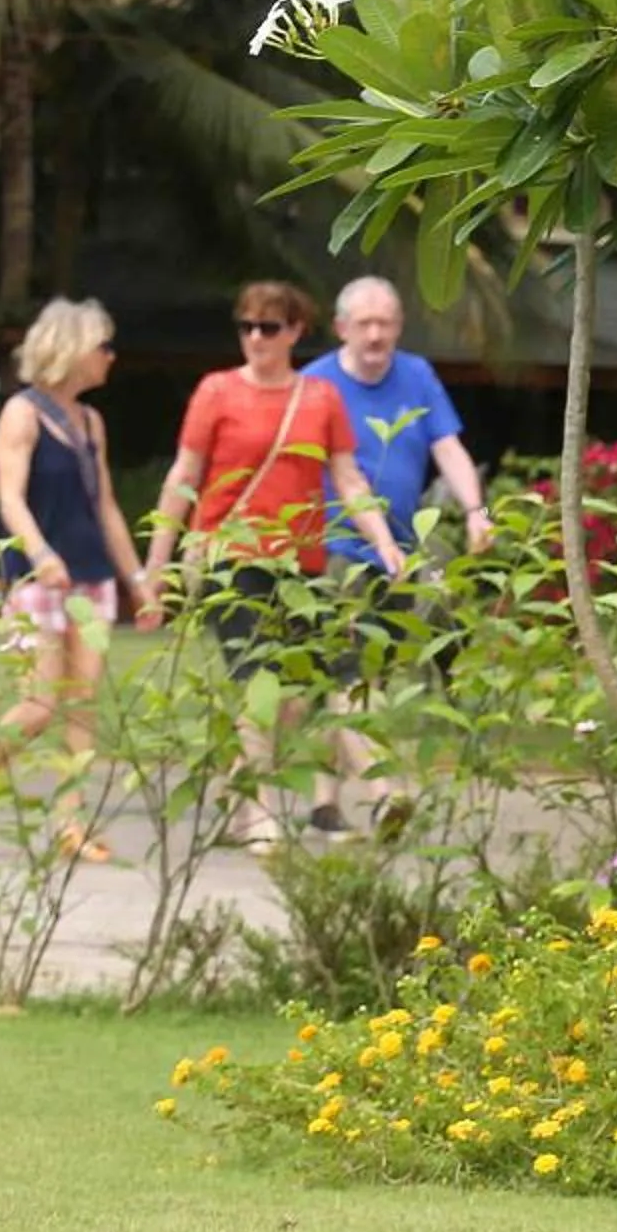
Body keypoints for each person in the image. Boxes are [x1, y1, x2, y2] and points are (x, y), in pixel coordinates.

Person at [141, 281, 405, 848]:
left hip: (302, 564)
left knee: (321, 682)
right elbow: (183, 478)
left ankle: (376, 794)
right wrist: (155, 568)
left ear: (295, 332)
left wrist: (383, 540)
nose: (256, 339)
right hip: (230, 558)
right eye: (247, 327)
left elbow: (348, 478)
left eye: (269, 328)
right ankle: (261, 814)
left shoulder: (319, 399)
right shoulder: (216, 392)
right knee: (259, 683)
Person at [0, 299, 155, 862]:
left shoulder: (92, 422)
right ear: (73, 348)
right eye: (102, 346)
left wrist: (137, 578)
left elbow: (106, 505)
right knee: (42, 701)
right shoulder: (23, 412)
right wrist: (40, 553)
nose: (111, 358)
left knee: (82, 705)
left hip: (91, 574)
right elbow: (10, 498)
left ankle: (72, 822)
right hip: (38, 577)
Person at [301, 276, 493, 566]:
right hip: (334, 548)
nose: (375, 335)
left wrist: (476, 511)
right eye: (364, 324)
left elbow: (448, 448)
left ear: (399, 326)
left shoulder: (417, 374)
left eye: (384, 323)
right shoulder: (314, 383)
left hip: (401, 547)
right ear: (342, 328)